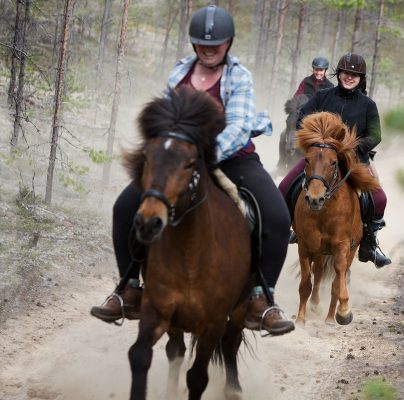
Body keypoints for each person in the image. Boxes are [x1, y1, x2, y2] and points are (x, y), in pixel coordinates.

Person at [91, 5, 295, 335]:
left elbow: (240, 125)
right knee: (125, 208)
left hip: (232, 157)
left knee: (276, 217)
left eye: (216, 43)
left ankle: (262, 298)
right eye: (202, 43)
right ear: (193, 43)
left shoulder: (239, 76)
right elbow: (167, 120)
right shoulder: (180, 73)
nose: (209, 48)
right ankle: (129, 287)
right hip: (180, 163)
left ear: (228, 43)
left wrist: (205, 153)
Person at [278, 52, 392, 268]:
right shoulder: (323, 96)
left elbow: (376, 135)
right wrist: (316, 138)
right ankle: (288, 229)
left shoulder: (368, 105)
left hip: (355, 160)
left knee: (379, 199)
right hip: (320, 159)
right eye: (346, 73)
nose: (350, 77)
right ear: (339, 74)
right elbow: (303, 116)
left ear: (361, 78)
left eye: (355, 74)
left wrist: (352, 146)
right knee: (284, 186)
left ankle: (369, 243)